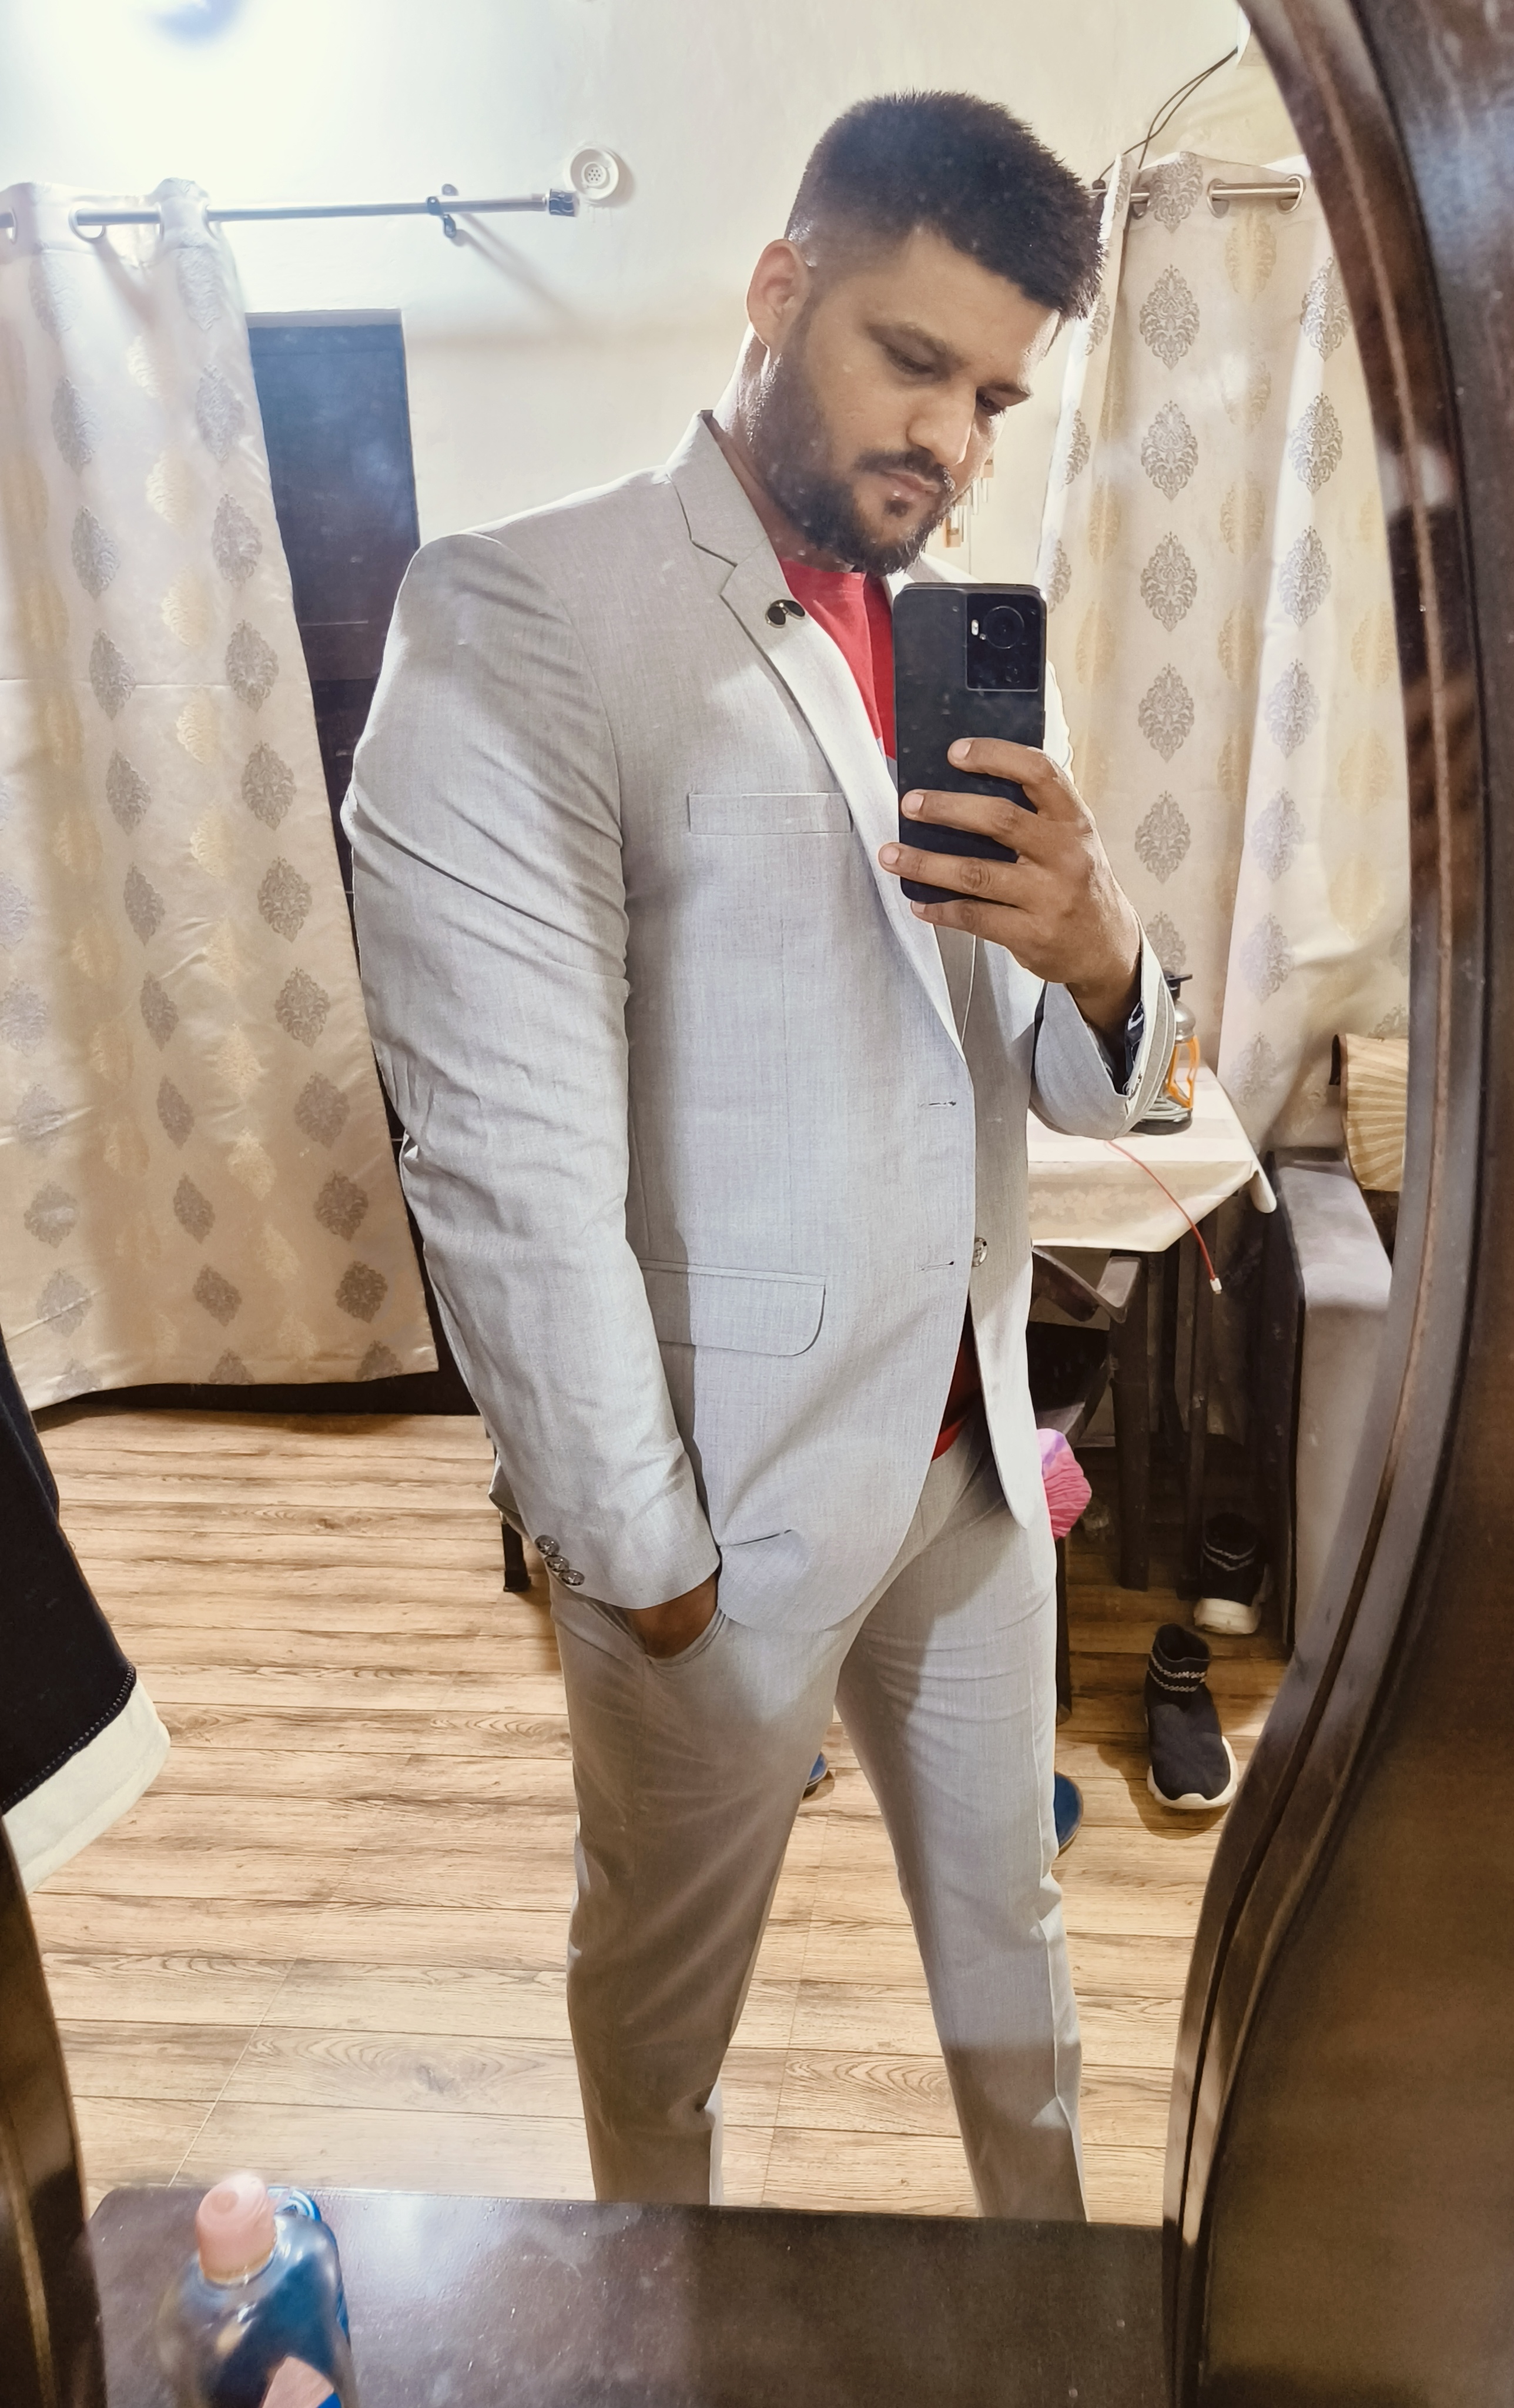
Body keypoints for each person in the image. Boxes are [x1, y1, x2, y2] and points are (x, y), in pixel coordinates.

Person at [345, 91, 1174, 2220]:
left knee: (1018, 1962)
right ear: (780, 287)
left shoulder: (948, 634)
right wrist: (647, 1559)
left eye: (995, 398)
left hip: (970, 1480)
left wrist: (1096, 954)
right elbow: (508, 1165)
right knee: (663, 2014)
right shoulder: (528, 613)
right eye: (915, 363)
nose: (953, 441)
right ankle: (664, 2319)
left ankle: (1054, 2303)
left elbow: (1068, 1084)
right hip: (720, 1513)